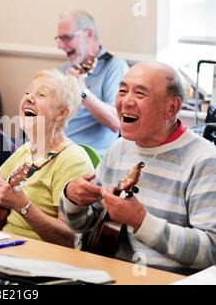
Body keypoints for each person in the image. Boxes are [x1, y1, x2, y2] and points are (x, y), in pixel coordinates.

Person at [61, 62, 216, 274]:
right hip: (107, 274)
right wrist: (73, 201)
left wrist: (141, 221)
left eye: (140, 94)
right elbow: (85, 226)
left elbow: (211, 251)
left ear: (171, 108)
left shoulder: (205, 160)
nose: (126, 101)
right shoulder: (119, 148)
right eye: (122, 91)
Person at [0, 69, 94, 247]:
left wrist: (23, 206)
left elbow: (70, 239)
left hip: (41, 258)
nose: (29, 98)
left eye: (41, 94)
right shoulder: (25, 150)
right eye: (27, 92)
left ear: (61, 113)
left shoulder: (73, 159)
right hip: (0, 246)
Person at [56, 10, 129, 156]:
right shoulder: (64, 69)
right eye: (58, 39)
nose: (60, 46)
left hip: (86, 157)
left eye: (67, 38)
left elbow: (117, 121)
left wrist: (83, 93)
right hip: (54, 150)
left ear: (89, 34)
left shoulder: (114, 67)